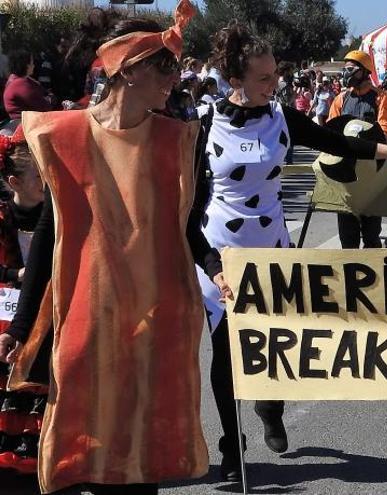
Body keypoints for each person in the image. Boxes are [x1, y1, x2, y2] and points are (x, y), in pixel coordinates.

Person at [0, 6, 216, 494]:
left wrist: (216, 267)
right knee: (86, 452)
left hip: (155, 323)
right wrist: (20, 326)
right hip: (87, 320)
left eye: (176, 66)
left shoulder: (176, 142)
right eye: (163, 66)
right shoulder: (64, 135)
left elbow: (184, 230)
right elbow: (51, 237)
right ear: (126, 68)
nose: (174, 78)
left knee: (143, 461)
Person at [196, 30, 387, 482]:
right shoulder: (203, 122)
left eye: (276, 73)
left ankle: (270, 407)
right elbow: (185, 196)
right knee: (227, 353)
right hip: (222, 251)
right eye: (263, 76)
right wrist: (206, 260)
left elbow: (339, 143)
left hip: (274, 248)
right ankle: (231, 444)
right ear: (233, 77)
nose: (274, 82)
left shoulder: (282, 116)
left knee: (277, 343)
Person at [0, 129, 44, 486]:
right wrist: (17, 273)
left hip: (46, 317)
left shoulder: (55, 214)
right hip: (6, 318)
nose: (46, 181)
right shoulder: (2, 218)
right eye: (38, 176)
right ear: (14, 181)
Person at [327, 50, 387, 251]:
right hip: (345, 173)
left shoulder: (381, 98)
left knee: (371, 234)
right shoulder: (341, 99)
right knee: (347, 237)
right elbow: (330, 132)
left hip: (371, 172)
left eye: (350, 69)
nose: (346, 73)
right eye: (345, 69)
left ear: (364, 72)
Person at [3, 51, 53, 123]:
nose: (34, 65)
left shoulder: (21, 80)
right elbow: (44, 107)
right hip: (26, 126)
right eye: (32, 63)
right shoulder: (19, 84)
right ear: (25, 65)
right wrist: (50, 99)